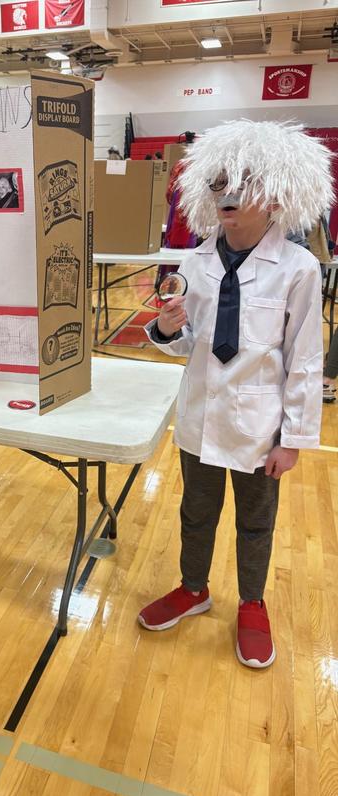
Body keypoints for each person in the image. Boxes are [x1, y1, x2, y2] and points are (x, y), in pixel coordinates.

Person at [140, 120, 333, 669]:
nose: (227, 193)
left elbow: (304, 359)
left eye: (242, 183)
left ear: (273, 196)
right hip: (199, 417)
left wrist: (293, 438)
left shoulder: (298, 269)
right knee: (195, 512)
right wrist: (171, 329)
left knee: (255, 520)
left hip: (259, 425)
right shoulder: (194, 263)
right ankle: (194, 587)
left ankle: (252, 602)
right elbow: (189, 348)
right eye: (219, 181)